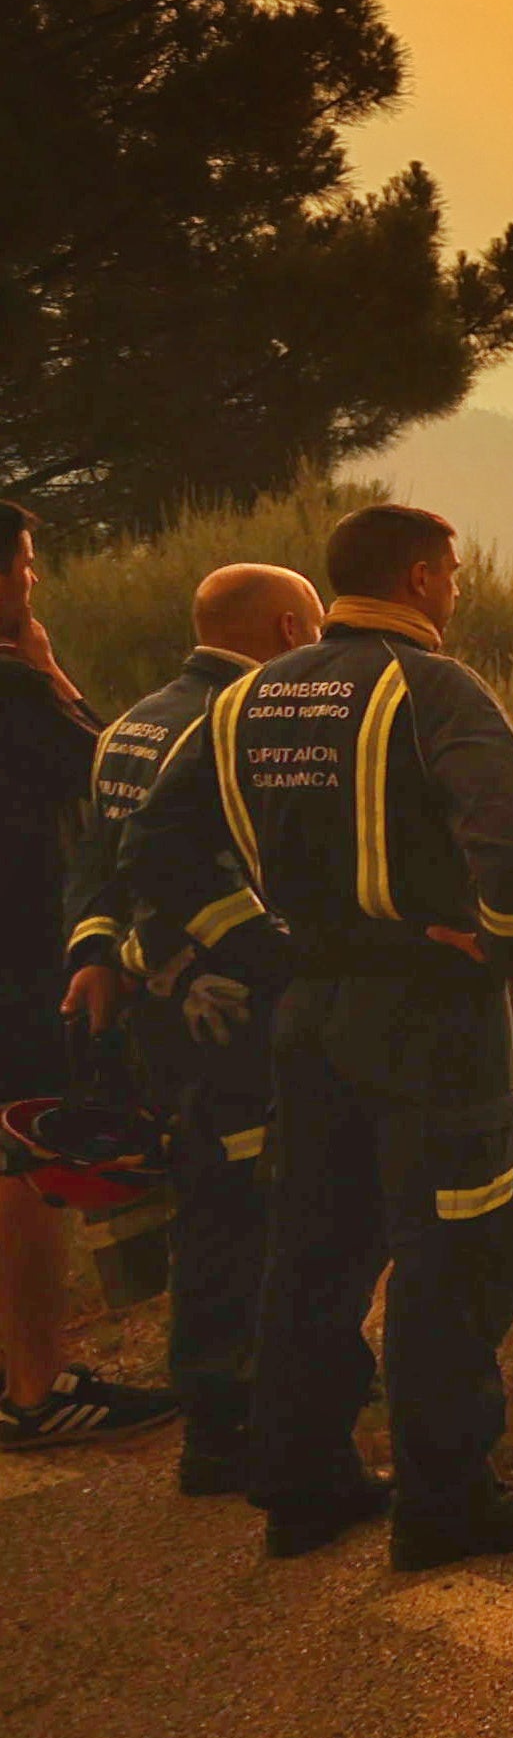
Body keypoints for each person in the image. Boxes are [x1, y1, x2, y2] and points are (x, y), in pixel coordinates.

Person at [119, 501, 513, 1566]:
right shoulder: (432, 690)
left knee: (315, 1244)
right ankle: (447, 1499)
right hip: (430, 1016)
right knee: (457, 1248)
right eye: (455, 574)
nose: (460, 591)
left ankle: (301, 1485)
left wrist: (261, 951)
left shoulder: (246, 701)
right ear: (423, 578)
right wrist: (501, 947)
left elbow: (157, 846)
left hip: (309, 1012)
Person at [56, 558, 323, 1484]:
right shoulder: (232, 723)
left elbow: (96, 861)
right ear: (291, 632)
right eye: (315, 627)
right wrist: (282, 962)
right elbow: (160, 863)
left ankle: (246, 1392)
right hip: (229, 1017)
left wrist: (95, 950)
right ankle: (223, 1423)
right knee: (237, 1205)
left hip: (160, 1014)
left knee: (214, 1195)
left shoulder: (130, 722)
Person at [2, 495, 182, 1454]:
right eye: (24, 563)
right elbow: (120, 779)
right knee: (21, 1158)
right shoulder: (13, 693)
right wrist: (51, 676)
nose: (33, 581)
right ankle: (34, 1392)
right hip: (13, 951)